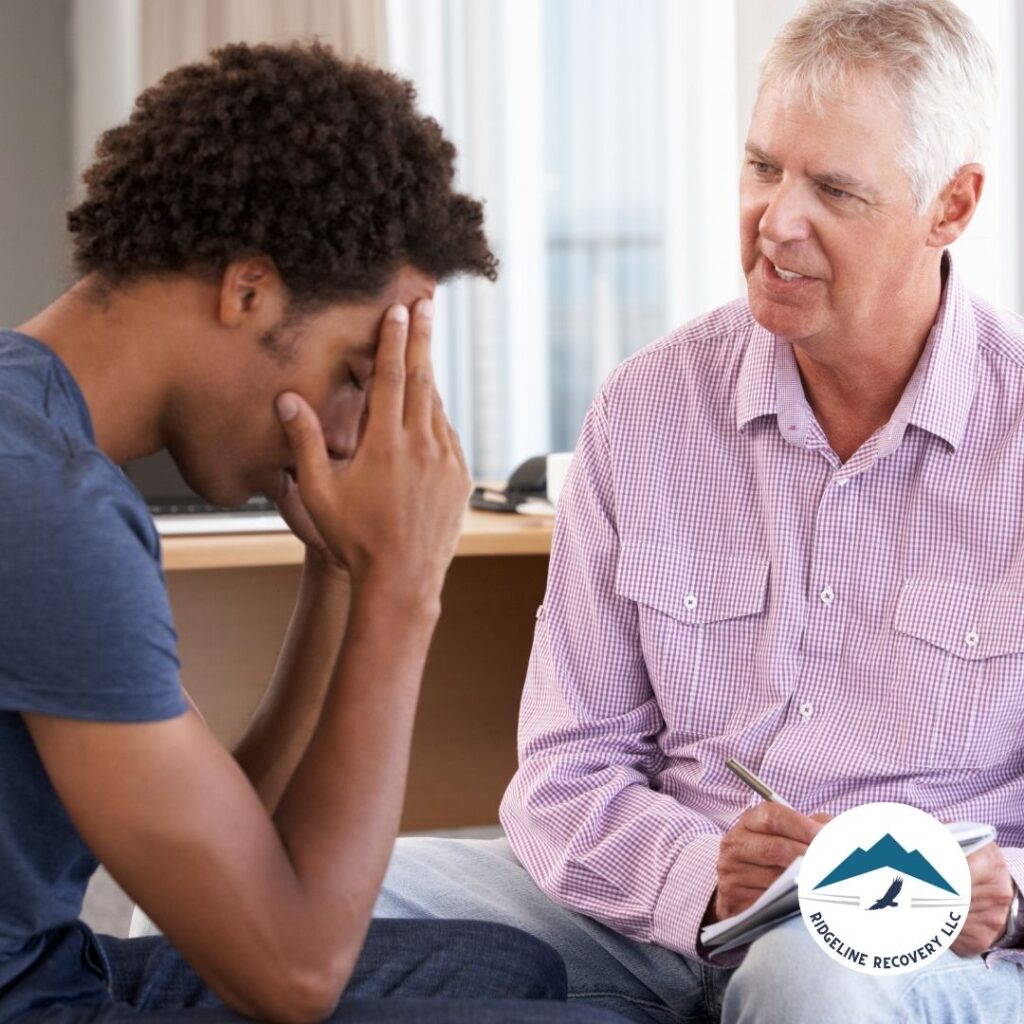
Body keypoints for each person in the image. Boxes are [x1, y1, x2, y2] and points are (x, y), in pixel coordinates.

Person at [376, 1, 1024, 1021]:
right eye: (763, 167)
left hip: (919, 943)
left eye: (834, 189)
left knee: (807, 977)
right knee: (283, 908)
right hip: (661, 908)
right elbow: (569, 764)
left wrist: (1009, 894)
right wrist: (705, 872)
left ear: (951, 205)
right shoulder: (646, 407)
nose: (776, 220)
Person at [0, 41, 627, 1024]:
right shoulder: (50, 512)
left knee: (512, 967)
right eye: (351, 375)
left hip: (45, 970)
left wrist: (338, 573)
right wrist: (402, 586)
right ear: (247, 289)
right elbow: (290, 970)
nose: (349, 432)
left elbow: (230, 856)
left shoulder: (29, 435)